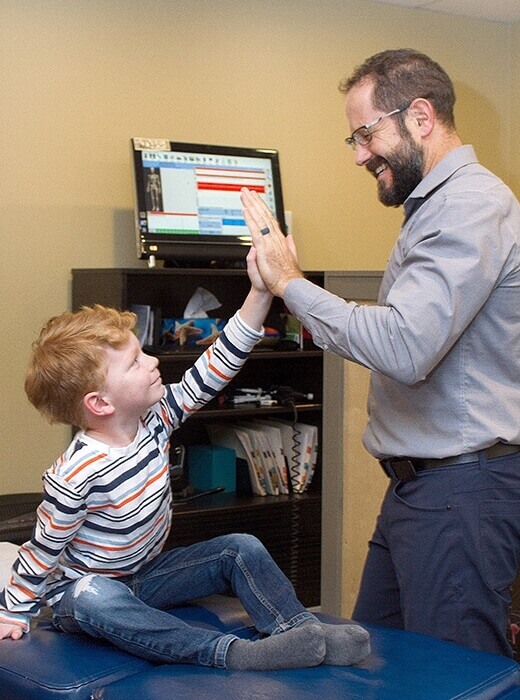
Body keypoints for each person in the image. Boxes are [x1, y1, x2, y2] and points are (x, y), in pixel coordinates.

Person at [240, 48, 520, 657]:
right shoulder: (434, 208)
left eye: (366, 134)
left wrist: (291, 283)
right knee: (381, 666)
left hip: (460, 492)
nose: (361, 154)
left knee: (451, 680)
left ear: (420, 116)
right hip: (419, 490)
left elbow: (403, 345)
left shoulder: (471, 206)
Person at [0, 249, 370, 670]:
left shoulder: (155, 419)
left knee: (239, 549)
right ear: (100, 402)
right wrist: (13, 611)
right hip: (86, 595)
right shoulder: (76, 472)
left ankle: (301, 631)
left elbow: (215, 365)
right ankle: (231, 654)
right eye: (135, 362)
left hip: (145, 575)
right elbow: (42, 549)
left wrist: (259, 292)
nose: (153, 361)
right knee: (92, 595)